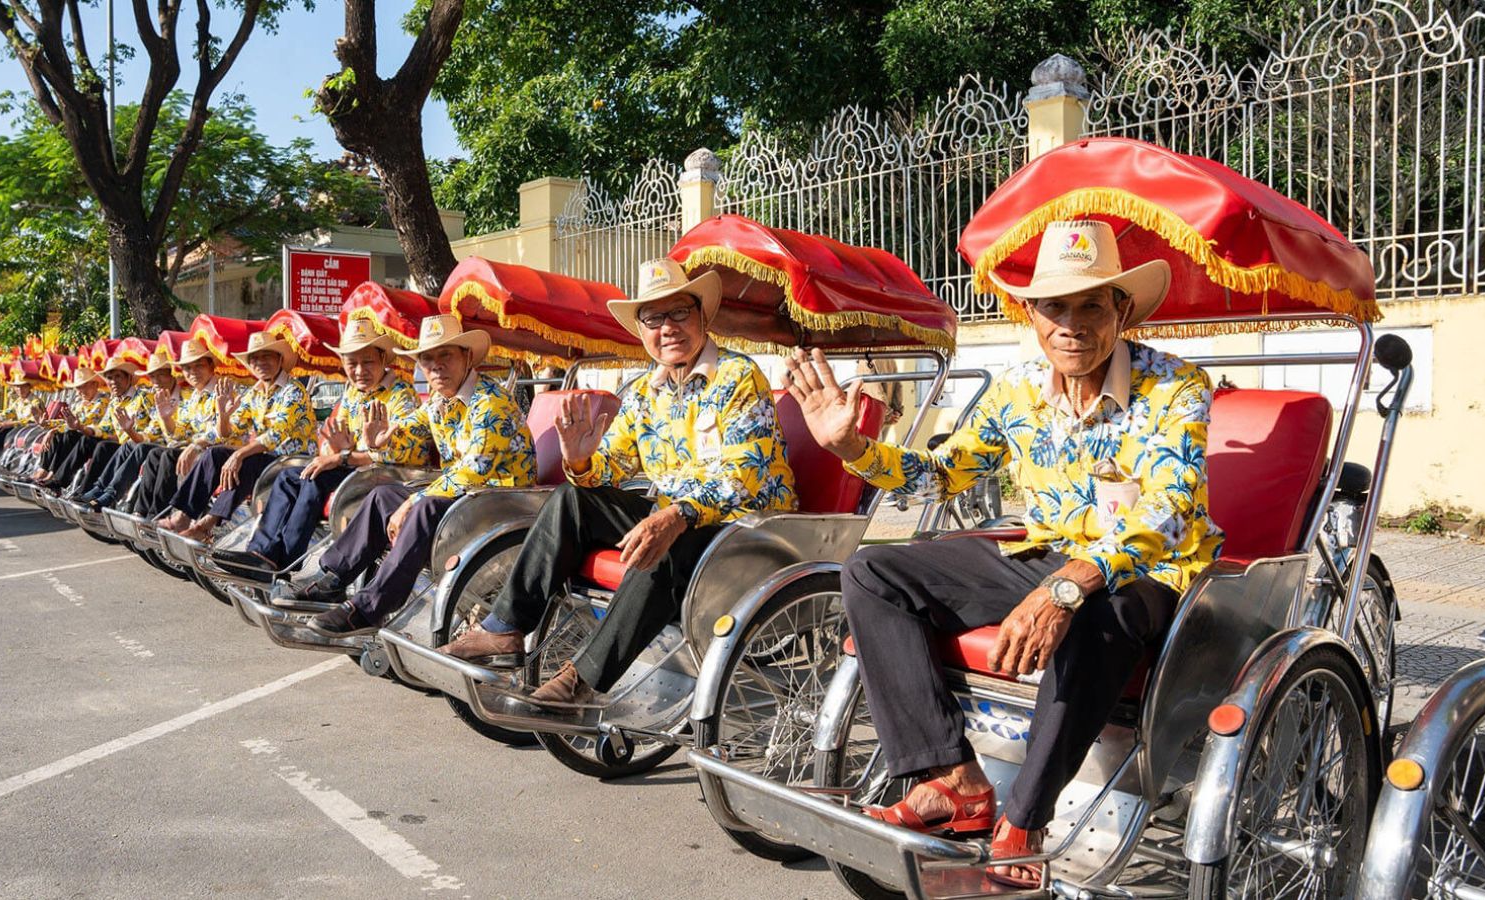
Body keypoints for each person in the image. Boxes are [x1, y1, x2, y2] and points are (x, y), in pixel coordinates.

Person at [781, 220, 1220, 887]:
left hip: (1145, 571)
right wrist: (853, 450)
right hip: (1048, 554)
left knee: (1094, 618)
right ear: (1031, 315)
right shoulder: (1017, 391)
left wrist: (1066, 589)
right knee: (873, 572)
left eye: (1091, 305)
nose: (1071, 323)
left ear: (1121, 310)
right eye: (1055, 306)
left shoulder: (1177, 387)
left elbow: (1170, 504)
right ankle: (952, 776)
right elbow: (940, 473)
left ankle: (1025, 818)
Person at [439, 258, 798, 704]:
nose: (667, 328)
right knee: (573, 498)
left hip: (747, 527)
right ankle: (505, 628)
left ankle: (583, 679)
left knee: (666, 540)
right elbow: (612, 466)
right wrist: (581, 460)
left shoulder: (739, 376)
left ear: (702, 317)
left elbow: (746, 477)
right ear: (641, 330)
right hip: (675, 513)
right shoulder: (645, 391)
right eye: (653, 318)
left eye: (679, 313)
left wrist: (676, 515)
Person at [279, 316, 537, 634]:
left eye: (446, 356)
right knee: (382, 495)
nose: (436, 366)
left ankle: (369, 608)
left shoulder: (491, 404)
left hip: (501, 503)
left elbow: (473, 471)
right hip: (466, 499)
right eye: (428, 359)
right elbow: (404, 439)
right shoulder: (438, 403)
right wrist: (379, 442)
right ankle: (334, 579)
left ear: (467, 357)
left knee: (423, 506)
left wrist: (413, 499)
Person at [212, 317, 430, 572]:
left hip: (388, 473)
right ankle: (262, 552)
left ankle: (286, 560)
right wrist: (333, 451)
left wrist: (341, 456)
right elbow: (332, 437)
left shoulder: (400, 395)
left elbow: (394, 453)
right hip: (354, 466)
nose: (359, 371)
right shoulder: (352, 393)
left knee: (314, 479)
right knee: (289, 478)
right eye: (352, 363)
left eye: (367, 362)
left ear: (384, 360)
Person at [158, 332, 317, 540]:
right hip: (266, 458)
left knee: (247, 460)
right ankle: (184, 516)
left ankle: (207, 524)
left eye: (266, 356)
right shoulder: (254, 394)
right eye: (255, 359)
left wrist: (238, 455)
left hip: (293, 460)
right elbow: (228, 432)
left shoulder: (293, 390)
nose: (260, 363)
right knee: (214, 454)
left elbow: (276, 434)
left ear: (279, 359)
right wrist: (220, 421)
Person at [129, 338, 224, 517]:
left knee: (169, 455)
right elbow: (180, 435)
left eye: (199, 366)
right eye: (187, 368)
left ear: (211, 366)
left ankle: (157, 515)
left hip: (217, 452)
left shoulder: (223, 389)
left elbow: (224, 431)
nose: (193, 372)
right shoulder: (194, 397)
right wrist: (166, 419)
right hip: (197, 450)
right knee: (155, 454)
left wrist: (195, 446)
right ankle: (141, 512)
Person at [80, 351, 186, 509]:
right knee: (117, 445)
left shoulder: (166, 397)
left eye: (161, 375)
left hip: (166, 445)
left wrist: (133, 434)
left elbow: (157, 432)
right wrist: (79, 427)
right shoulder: (117, 402)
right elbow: (105, 427)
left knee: (134, 446)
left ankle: (111, 494)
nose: (156, 381)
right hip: (140, 444)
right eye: (153, 376)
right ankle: (100, 489)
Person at [30, 363, 110, 487]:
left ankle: (53, 475)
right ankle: (43, 471)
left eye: (83, 386)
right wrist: (47, 424)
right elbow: (67, 422)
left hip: (93, 436)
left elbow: (83, 422)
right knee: (58, 436)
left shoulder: (102, 402)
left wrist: (54, 430)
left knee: (68, 435)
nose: (80, 392)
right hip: (79, 434)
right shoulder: (82, 403)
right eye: (78, 388)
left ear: (95, 385)